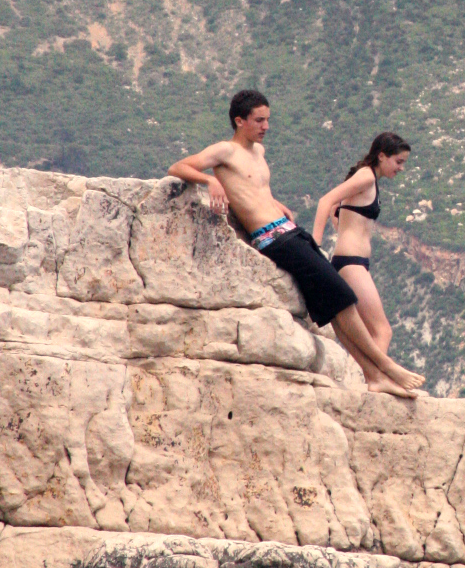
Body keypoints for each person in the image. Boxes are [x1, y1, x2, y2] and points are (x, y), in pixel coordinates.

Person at [168, 91, 424, 398]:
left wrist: (275, 202)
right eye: (259, 120)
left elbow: (253, 190)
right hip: (274, 239)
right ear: (240, 120)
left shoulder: (258, 153)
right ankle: (387, 367)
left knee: (332, 304)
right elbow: (179, 166)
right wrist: (211, 181)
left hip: (288, 230)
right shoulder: (225, 151)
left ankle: (373, 376)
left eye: (268, 120)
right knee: (343, 294)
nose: (265, 126)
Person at [312, 132, 409, 386]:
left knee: (371, 331)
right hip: (352, 262)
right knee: (382, 330)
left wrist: (341, 225)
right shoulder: (366, 176)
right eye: (398, 161)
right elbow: (326, 202)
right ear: (382, 156)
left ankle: (370, 379)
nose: (401, 168)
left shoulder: (368, 178)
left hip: (354, 261)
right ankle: (374, 381)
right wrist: (315, 244)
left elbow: (336, 210)